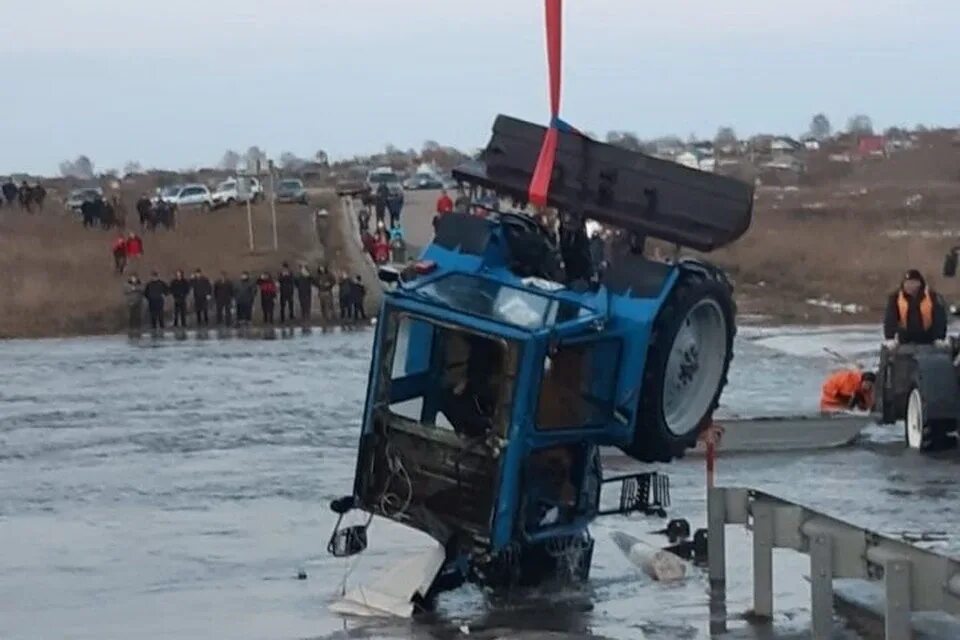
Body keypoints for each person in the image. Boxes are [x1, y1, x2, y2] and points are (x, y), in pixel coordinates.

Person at [882, 269, 948, 346]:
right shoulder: (895, 298)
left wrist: (939, 337)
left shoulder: (933, 297)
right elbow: (890, 319)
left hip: (928, 337)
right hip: (905, 338)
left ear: (919, 283)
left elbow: (940, 319)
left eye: (913, 283)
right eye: (907, 283)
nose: (909, 286)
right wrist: (890, 338)